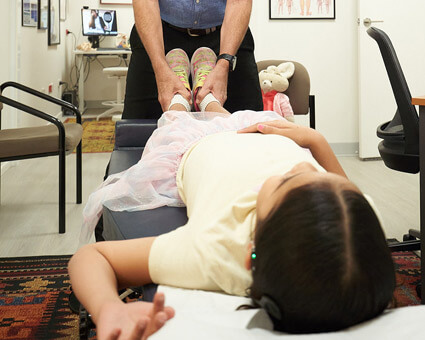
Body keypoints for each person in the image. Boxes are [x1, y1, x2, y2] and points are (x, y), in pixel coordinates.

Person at [70, 99, 396, 338]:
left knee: (177, 114)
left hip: (200, 143)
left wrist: (108, 307)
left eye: (285, 180)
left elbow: (92, 257)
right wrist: (314, 142)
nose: (304, 166)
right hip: (271, 133)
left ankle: (185, 94)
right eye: (325, 175)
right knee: (219, 109)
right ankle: (210, 94)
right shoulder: (353, 224)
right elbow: (343, 189)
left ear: (250, 248)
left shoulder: (212, 248)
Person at [123, 0, 263, 119]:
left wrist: (224, 63)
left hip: (226, 35)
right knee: (137, 128)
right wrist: (160, 67)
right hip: (159, 35)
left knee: (248, 124)